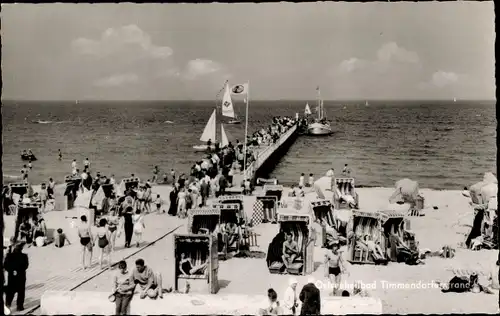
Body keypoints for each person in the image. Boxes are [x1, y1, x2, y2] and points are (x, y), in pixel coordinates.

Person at [4, 242, 29, 312]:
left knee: (10, 292)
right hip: (21, 277)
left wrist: (12, 270)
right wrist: (18, 270)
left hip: (12, 277)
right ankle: (19, 306)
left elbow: (5, 265)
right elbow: (26, 266)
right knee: (21, 292)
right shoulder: (24, 256)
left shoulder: (9, 256)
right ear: (21, 249)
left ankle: (8, 305)